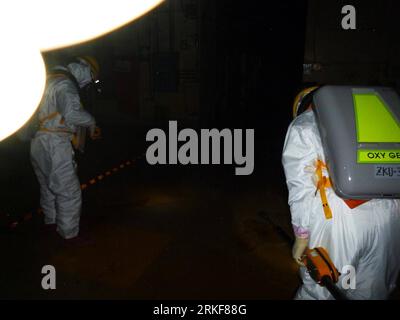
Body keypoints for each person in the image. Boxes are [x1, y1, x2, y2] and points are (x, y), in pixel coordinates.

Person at [282, 87, 400, 300]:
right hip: (390, 216)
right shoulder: (373, 116)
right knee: (371, 292)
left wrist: (301, 235)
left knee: (322, 291)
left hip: (339, 218)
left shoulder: (304, 124)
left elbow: (300, 185)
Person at [30, 56, 101, 241]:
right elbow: (72, 114)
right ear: (84, 68)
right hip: (55, 144)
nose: (89, 82)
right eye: (91, 76)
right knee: (69, 192)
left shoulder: (48, 80)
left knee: (47, 187)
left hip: (38, 141)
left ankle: (51, 223)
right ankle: (68, 236)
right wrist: (92, 122)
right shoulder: (65, 84)